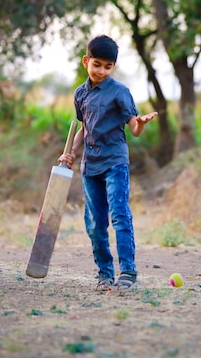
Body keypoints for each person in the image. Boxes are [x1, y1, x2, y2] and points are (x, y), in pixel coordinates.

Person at [58, 35, 158, 291]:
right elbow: (84, 128)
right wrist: (70, 152)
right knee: (94, 223)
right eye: (97, 64)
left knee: (120, 215)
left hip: (115, 162)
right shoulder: (80, 94)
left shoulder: (120, 92)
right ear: (86, 61)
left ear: (113, 66)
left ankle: (128, 271)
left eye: (108, 66)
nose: (101, 71)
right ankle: (104, 274)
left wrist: (141, 124)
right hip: (89, 167)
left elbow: (133, 128)